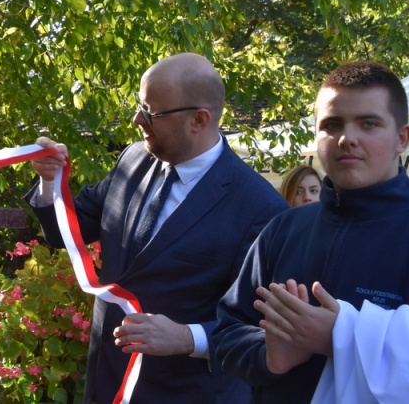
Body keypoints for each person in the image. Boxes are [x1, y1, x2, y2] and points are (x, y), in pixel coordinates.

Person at [212, 61, 409, 403]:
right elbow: (228, 332)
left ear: (402, 138)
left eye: (369, 123)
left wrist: (341, 337)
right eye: (332, 125)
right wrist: (269, 356)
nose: (347, 138)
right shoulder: (283, 229)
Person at [27, 54, 289, 403]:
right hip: (106, 384)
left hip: (188, 393)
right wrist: (51, 181)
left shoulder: (261, 208)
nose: (138, 119)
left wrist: (186, 337)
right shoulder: (133, 160)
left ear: (199, 119)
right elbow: (67, 233)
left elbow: (264, 326)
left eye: (151, 112)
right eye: (139, 105)